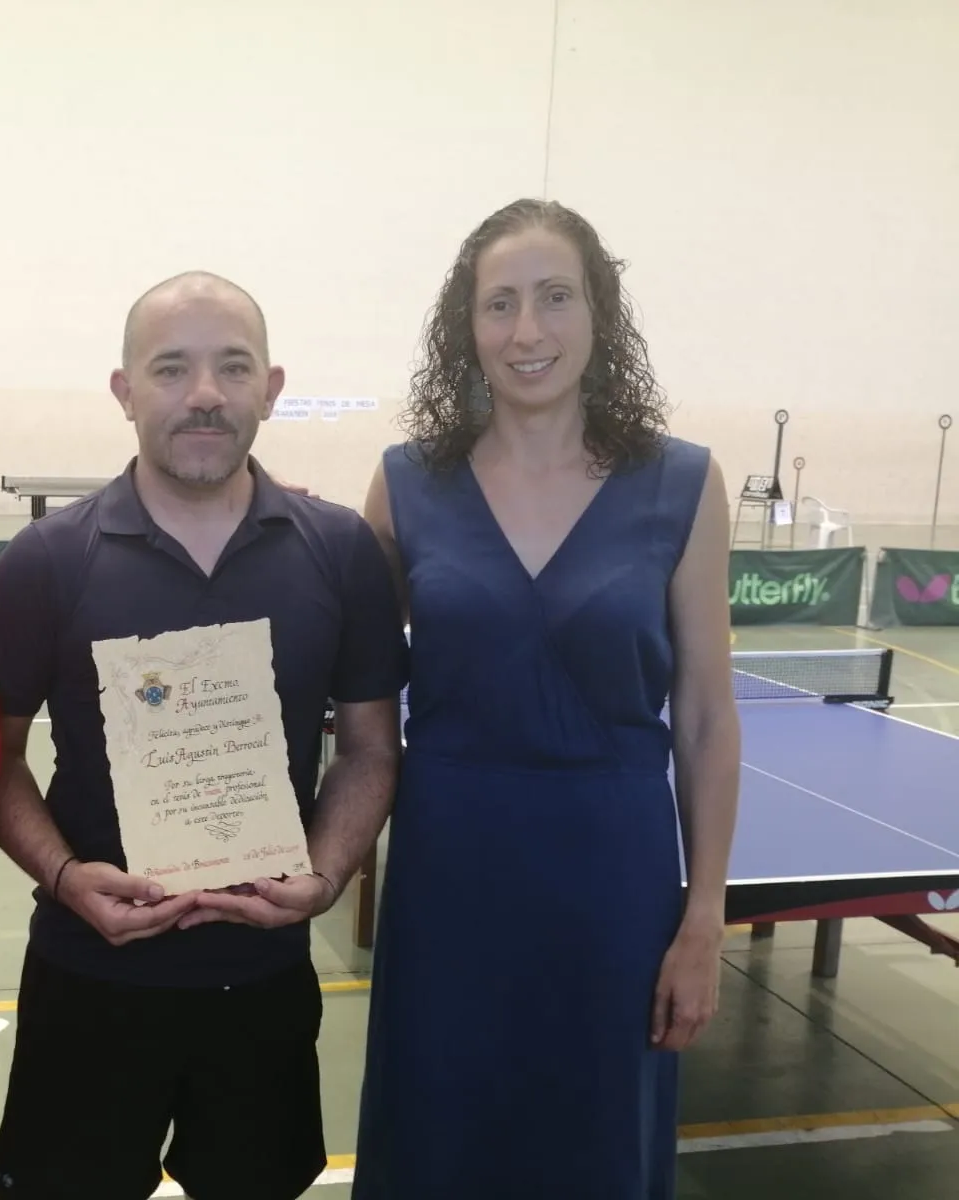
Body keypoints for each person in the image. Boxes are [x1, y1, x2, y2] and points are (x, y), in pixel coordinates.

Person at [0, 271, 407, 1200]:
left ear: (271, 388)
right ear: (125, 391)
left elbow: (372, 749)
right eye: (171, 368)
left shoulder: (340, 552)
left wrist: (326, 875)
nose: (205, 393)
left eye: (233, 367)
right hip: (88, 975)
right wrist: (65, 877)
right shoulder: (48, 561)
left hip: (262, 981)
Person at [352, 199, 741, 1199]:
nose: (527, 330)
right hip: (450, 876)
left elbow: (705, 717)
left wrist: (702, 919)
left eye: (555, 297)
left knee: (595, 1144)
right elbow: (352, 694)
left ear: (599, 312)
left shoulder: (683, 484)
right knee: (442, 1137)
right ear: (467, 327)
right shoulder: (405, 486)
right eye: (500, 304)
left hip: (615, 884)